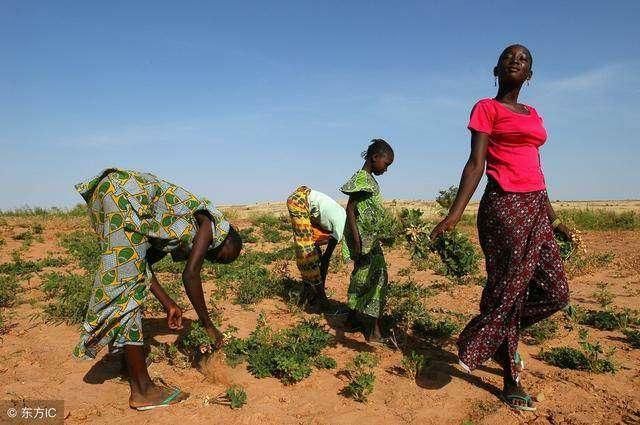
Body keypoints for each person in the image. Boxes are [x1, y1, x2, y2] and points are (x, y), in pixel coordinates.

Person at [430, 45, 571, 411]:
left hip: (536, 205)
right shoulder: (486, 108)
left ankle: (491, 336)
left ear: (530, 74)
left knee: (556, 292)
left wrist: (553, 218)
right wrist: (454, 214)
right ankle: (510, 379)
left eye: (523, 59)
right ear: (497, 68)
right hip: (505, 207)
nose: (516, 61)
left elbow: (536, 169)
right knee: (510, 290)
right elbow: (476, 164)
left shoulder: (533, 113)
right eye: (509, 56)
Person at [72, 168, 242, 410]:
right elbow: (190, 275)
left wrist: (168, 303)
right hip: (125, 196)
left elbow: (141, 265)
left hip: (111, 193)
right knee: (128, 290)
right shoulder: (208, 222)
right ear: (226, 236)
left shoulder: (167, 228)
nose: (218, 258)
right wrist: (208, 325)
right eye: (225, 255)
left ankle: (125, 356)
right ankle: (143, 389)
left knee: (129, 280)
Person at [341, 139, 394, 343]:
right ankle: (373, 332)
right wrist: (358, 242)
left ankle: (352, 320)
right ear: (375, 158)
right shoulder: (362, 180)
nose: (386, 169)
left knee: (362, 277)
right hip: (365, 242)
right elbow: (351, 210)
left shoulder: (368, 179)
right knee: (377, 279)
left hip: (369, 240)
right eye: (386, 164)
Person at [286, 186, 346, 308]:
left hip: (305, 203)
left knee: (314, 253)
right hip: (299, 202)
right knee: (307, 252)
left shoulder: (341, 219)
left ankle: (309, 291)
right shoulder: (341, 228)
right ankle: (320, 297)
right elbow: (326, 259)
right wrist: (321, 285)